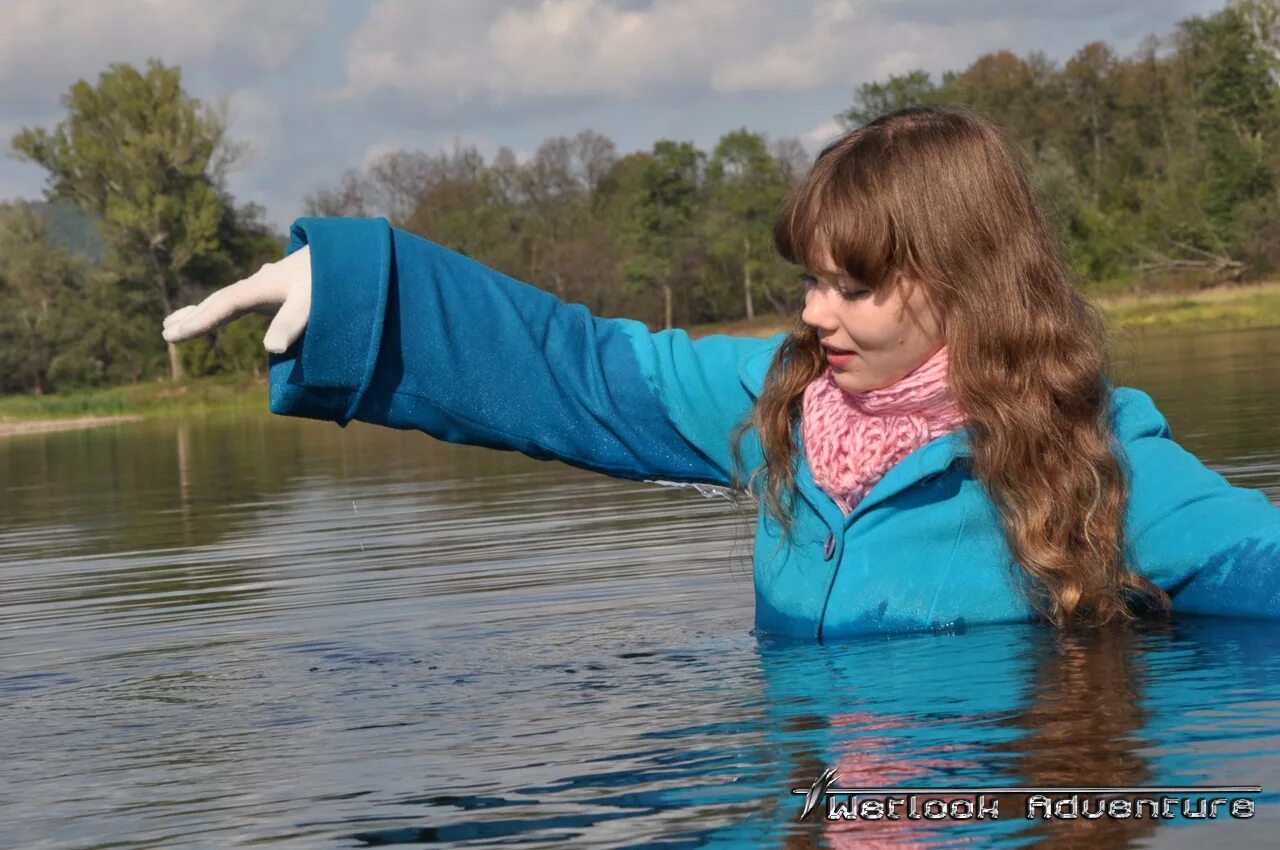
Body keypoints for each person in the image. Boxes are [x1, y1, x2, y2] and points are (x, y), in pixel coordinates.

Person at [161, 107, 1280, 641]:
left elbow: (1260, 567)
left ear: (955, 282)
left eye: (849, 286)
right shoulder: (780, 397)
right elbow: (579, 371)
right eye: (808, 278)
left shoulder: (1099, 456)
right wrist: (361, 294)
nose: (809, 311)